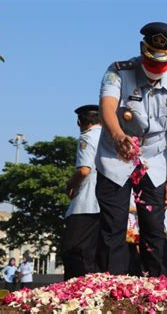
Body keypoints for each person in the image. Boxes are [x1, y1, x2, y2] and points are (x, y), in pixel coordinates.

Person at [96, 22, 167, 277]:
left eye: (161, 65)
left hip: (155, 160)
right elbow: (106, 107)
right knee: (113, 226)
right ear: (142, 50)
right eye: (150, 61)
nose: (154, 70)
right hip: (115, 155)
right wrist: (118, 136)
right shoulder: (118, 72)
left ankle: (157, 290)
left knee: (154, 228)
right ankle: (108, 287)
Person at [62, 105, 102, 280]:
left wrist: (69, 185)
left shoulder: (87, 137)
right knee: (97, 256)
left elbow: (84, 170)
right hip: (109, 203)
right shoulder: (111, 138)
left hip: (86, 204)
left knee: (74, 252)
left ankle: (75, 293)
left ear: (80, 122)